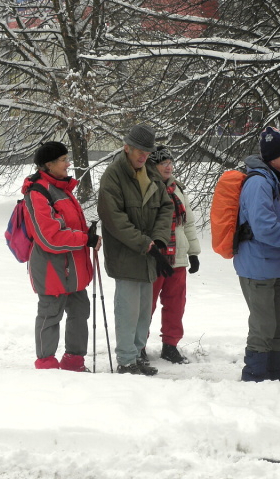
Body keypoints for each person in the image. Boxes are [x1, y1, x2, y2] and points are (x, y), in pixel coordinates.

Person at [97, 124, 174, 376]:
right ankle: (127, 360)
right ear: (126, 147)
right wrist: (146, 243)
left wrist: (159, 240)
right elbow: (113, 219)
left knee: (143, 310)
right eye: (139, 150)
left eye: (147, 151)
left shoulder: (150, 173)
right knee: (128, 310)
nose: (143, 156)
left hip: (149, 255)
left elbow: (165, 206)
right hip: (127, 255)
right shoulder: (113, 175)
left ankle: (138, 354)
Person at [22, 141, 100, 371]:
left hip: (73, 267)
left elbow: (69, 226)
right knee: (50, 314)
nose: (69, 163)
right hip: (50, 268)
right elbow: (50, 237)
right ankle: (46, 365)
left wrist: (87, 234)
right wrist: (85, 239)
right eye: (63, 160)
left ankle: (74, 362)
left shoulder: (62, 188)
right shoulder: (38, 192)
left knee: (79, 311)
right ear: (49, 164)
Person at [234, 126, 280, 387]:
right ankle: (254, 376)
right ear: (273, 157)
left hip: (273, 264)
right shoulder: (259, 183)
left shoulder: (274, 180)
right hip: (257, 265)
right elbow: (264, 228)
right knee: (263, 326)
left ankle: (275, 372)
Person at [149, 145, 201, 364]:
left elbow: (187, 223)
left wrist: (193, 252)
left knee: (176, 304)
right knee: (145, 305)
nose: (169, 167)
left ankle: (170, 345)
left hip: (177, 257)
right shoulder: (146, 186)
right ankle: (137, 345)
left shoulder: (177, 189)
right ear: (153, 166)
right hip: (153, 257)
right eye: (164, 163)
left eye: (171, 163)